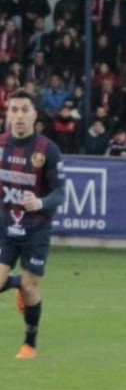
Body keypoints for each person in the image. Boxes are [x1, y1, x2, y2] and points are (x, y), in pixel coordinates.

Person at [0, 91, 64, 359]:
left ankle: (30, 344)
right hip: (5, 225)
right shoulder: (2, 145)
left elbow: (60, 193)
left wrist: (40, 202)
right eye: (13, 110)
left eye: (24, 109)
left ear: (34, 115)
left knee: (30, 286)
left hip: (36, 227)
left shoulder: (47, 150)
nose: (18, 115)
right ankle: (13, 282)